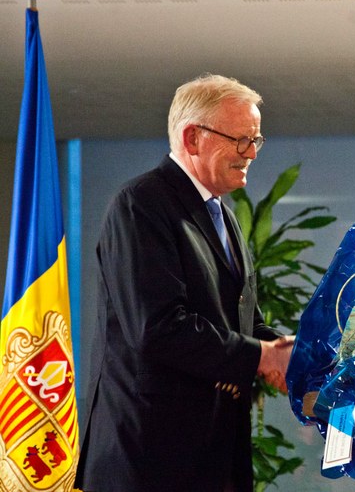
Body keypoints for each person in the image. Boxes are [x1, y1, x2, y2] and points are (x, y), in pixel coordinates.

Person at [75, 73, 294, 492]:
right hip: (150, 461)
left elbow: (240, 323)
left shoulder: (222, 215)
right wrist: (262, 357)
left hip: (212, 455)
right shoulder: (140, 204)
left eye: (256, 140)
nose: (251, 153)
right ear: (193, 138)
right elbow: (157, 328)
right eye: (240, 140)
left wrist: (286, 352)